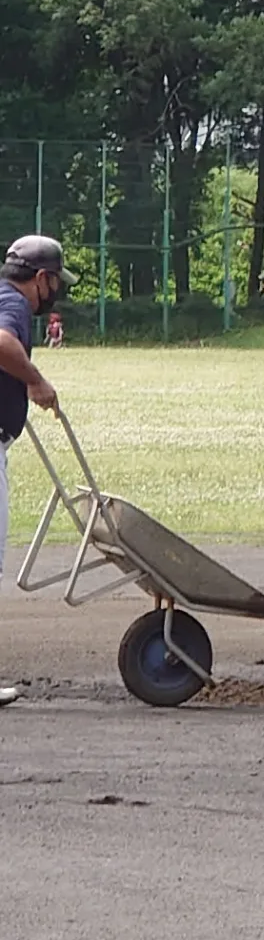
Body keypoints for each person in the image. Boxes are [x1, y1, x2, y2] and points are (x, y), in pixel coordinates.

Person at [0, 236, 75, 707]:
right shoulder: (12, 304)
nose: (56, 291)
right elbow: (2, 342)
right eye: (55, 281)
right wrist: (36, 381)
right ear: (41, 278)